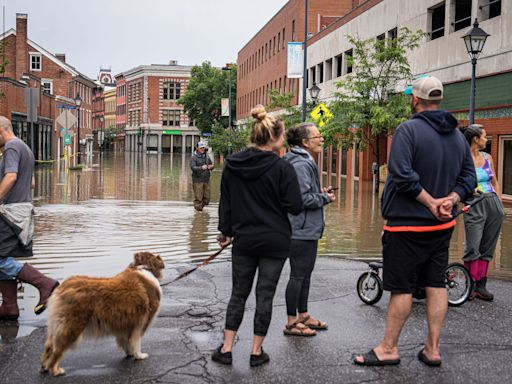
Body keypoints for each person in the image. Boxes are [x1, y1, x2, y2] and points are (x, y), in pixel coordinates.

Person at [354, 76, 476, 367]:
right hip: (442, 227)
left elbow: (400, 173)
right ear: (439, 100)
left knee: (402, 288)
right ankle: (432, 349)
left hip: (406, 226)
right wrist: (451, 199)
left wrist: (431, 201)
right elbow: (468, 179)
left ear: (415, 100)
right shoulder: (458, 135)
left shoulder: (407, 130)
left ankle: (388, 348)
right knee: (436, 285)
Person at [212, 105, 303, 367]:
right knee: (265, 296)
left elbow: (225, 203)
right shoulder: (282, 168)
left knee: (238, 293)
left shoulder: (232, 164)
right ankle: (255, 352)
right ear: (274, 138)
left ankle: (227, 349)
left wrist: (225, 232)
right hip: (275, 241)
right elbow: (295, 206)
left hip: (244, 240)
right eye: (283, 134)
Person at [0, 116, 59, 321]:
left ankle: (45, 283)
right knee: (4, 256)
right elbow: (31, 182)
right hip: (21, 210)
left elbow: (11, 176)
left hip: (10, 212)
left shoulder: (11, 147)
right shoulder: (25, 148)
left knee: (0, 259)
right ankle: (9, 306)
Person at [282, 123, 335, 337]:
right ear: (305, 142)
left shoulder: (301, 160)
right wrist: (325, 198)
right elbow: (302, 199)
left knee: (305, 274)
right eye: (317, 136)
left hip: (305, 228)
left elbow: (304, 192)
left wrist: (319, 193)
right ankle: (291, 322)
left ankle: (303, 315)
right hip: (300, 230)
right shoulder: (301, 164)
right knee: (298, 275)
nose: (321, 139)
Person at [460, 124, 504, 301]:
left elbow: (495, 182)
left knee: (488, 246)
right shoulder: (462, 160)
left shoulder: (488, 157)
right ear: (475, 139)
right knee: (473, 246)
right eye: (484, 137)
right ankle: (469, 285)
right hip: (474, 203)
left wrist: (499, 201)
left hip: (492, 203)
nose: (486, 139)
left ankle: (481, 286)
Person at [190, 141, 213, 211]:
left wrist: (211, 167)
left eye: (203, 148)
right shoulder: (193, 158)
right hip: (197, 181)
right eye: (201, 148)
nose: (202, 149)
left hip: (206, 180)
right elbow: (193, 167)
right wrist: (201, 168)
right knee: (198, 198)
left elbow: (211, 165)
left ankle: (199, 209)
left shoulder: (207, 157)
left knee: (207, 199)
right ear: (197, 148)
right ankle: (198, 215)